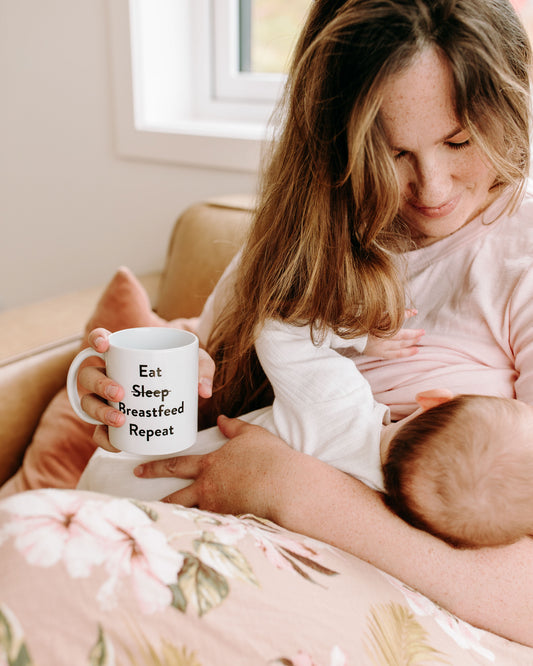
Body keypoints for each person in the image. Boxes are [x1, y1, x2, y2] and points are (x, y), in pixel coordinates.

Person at [78, 0, 533, 646]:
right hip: (189, 552)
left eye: (458, 142)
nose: (430, 187)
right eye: (392, 151)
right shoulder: (296, 248)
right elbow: (205, 417)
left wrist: (295, 492)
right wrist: (120, 392)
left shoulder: (519, 254)